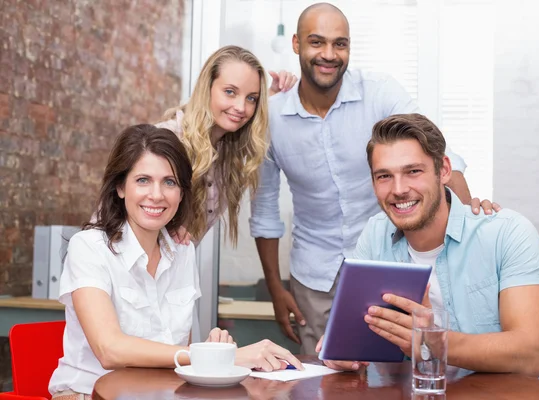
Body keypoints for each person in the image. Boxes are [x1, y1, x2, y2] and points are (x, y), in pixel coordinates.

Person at [249, 2, 499, 354]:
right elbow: (263, 211)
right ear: (296, 44)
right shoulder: (271, 118)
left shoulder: (380, 92)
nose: (329, 54)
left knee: (399, 364)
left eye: (340, 44)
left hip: (388, 260)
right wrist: (277, 289)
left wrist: (471, 224)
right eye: (317, 42)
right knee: (323, 370)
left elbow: (438, 157)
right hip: (312, 272)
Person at [48, 125, 303, 399]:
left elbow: (177, 354)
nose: (157, 195)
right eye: (143, 180)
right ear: (121, 187)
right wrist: (211, 358)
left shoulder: (182, 252)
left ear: (182, 193)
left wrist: (216, 352)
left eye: (169, 182)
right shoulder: (89, 247)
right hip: (86, 394)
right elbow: (109, 350)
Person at [318, 113, 539, 382]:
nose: (399, 189)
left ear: (443, 170)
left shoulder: (507, 232)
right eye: (384, 176)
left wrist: (436, 340)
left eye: (413, 171)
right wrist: (342, 348)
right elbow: (356, 336)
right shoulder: (374, 235)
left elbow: (531, 355)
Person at [156, 45, 297, 244]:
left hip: (175, 271)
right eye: (230, 92)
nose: (241, 107)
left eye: (251, 98)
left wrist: (275, 96)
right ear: (208, 88)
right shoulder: (166, 141)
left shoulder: (227, 151)